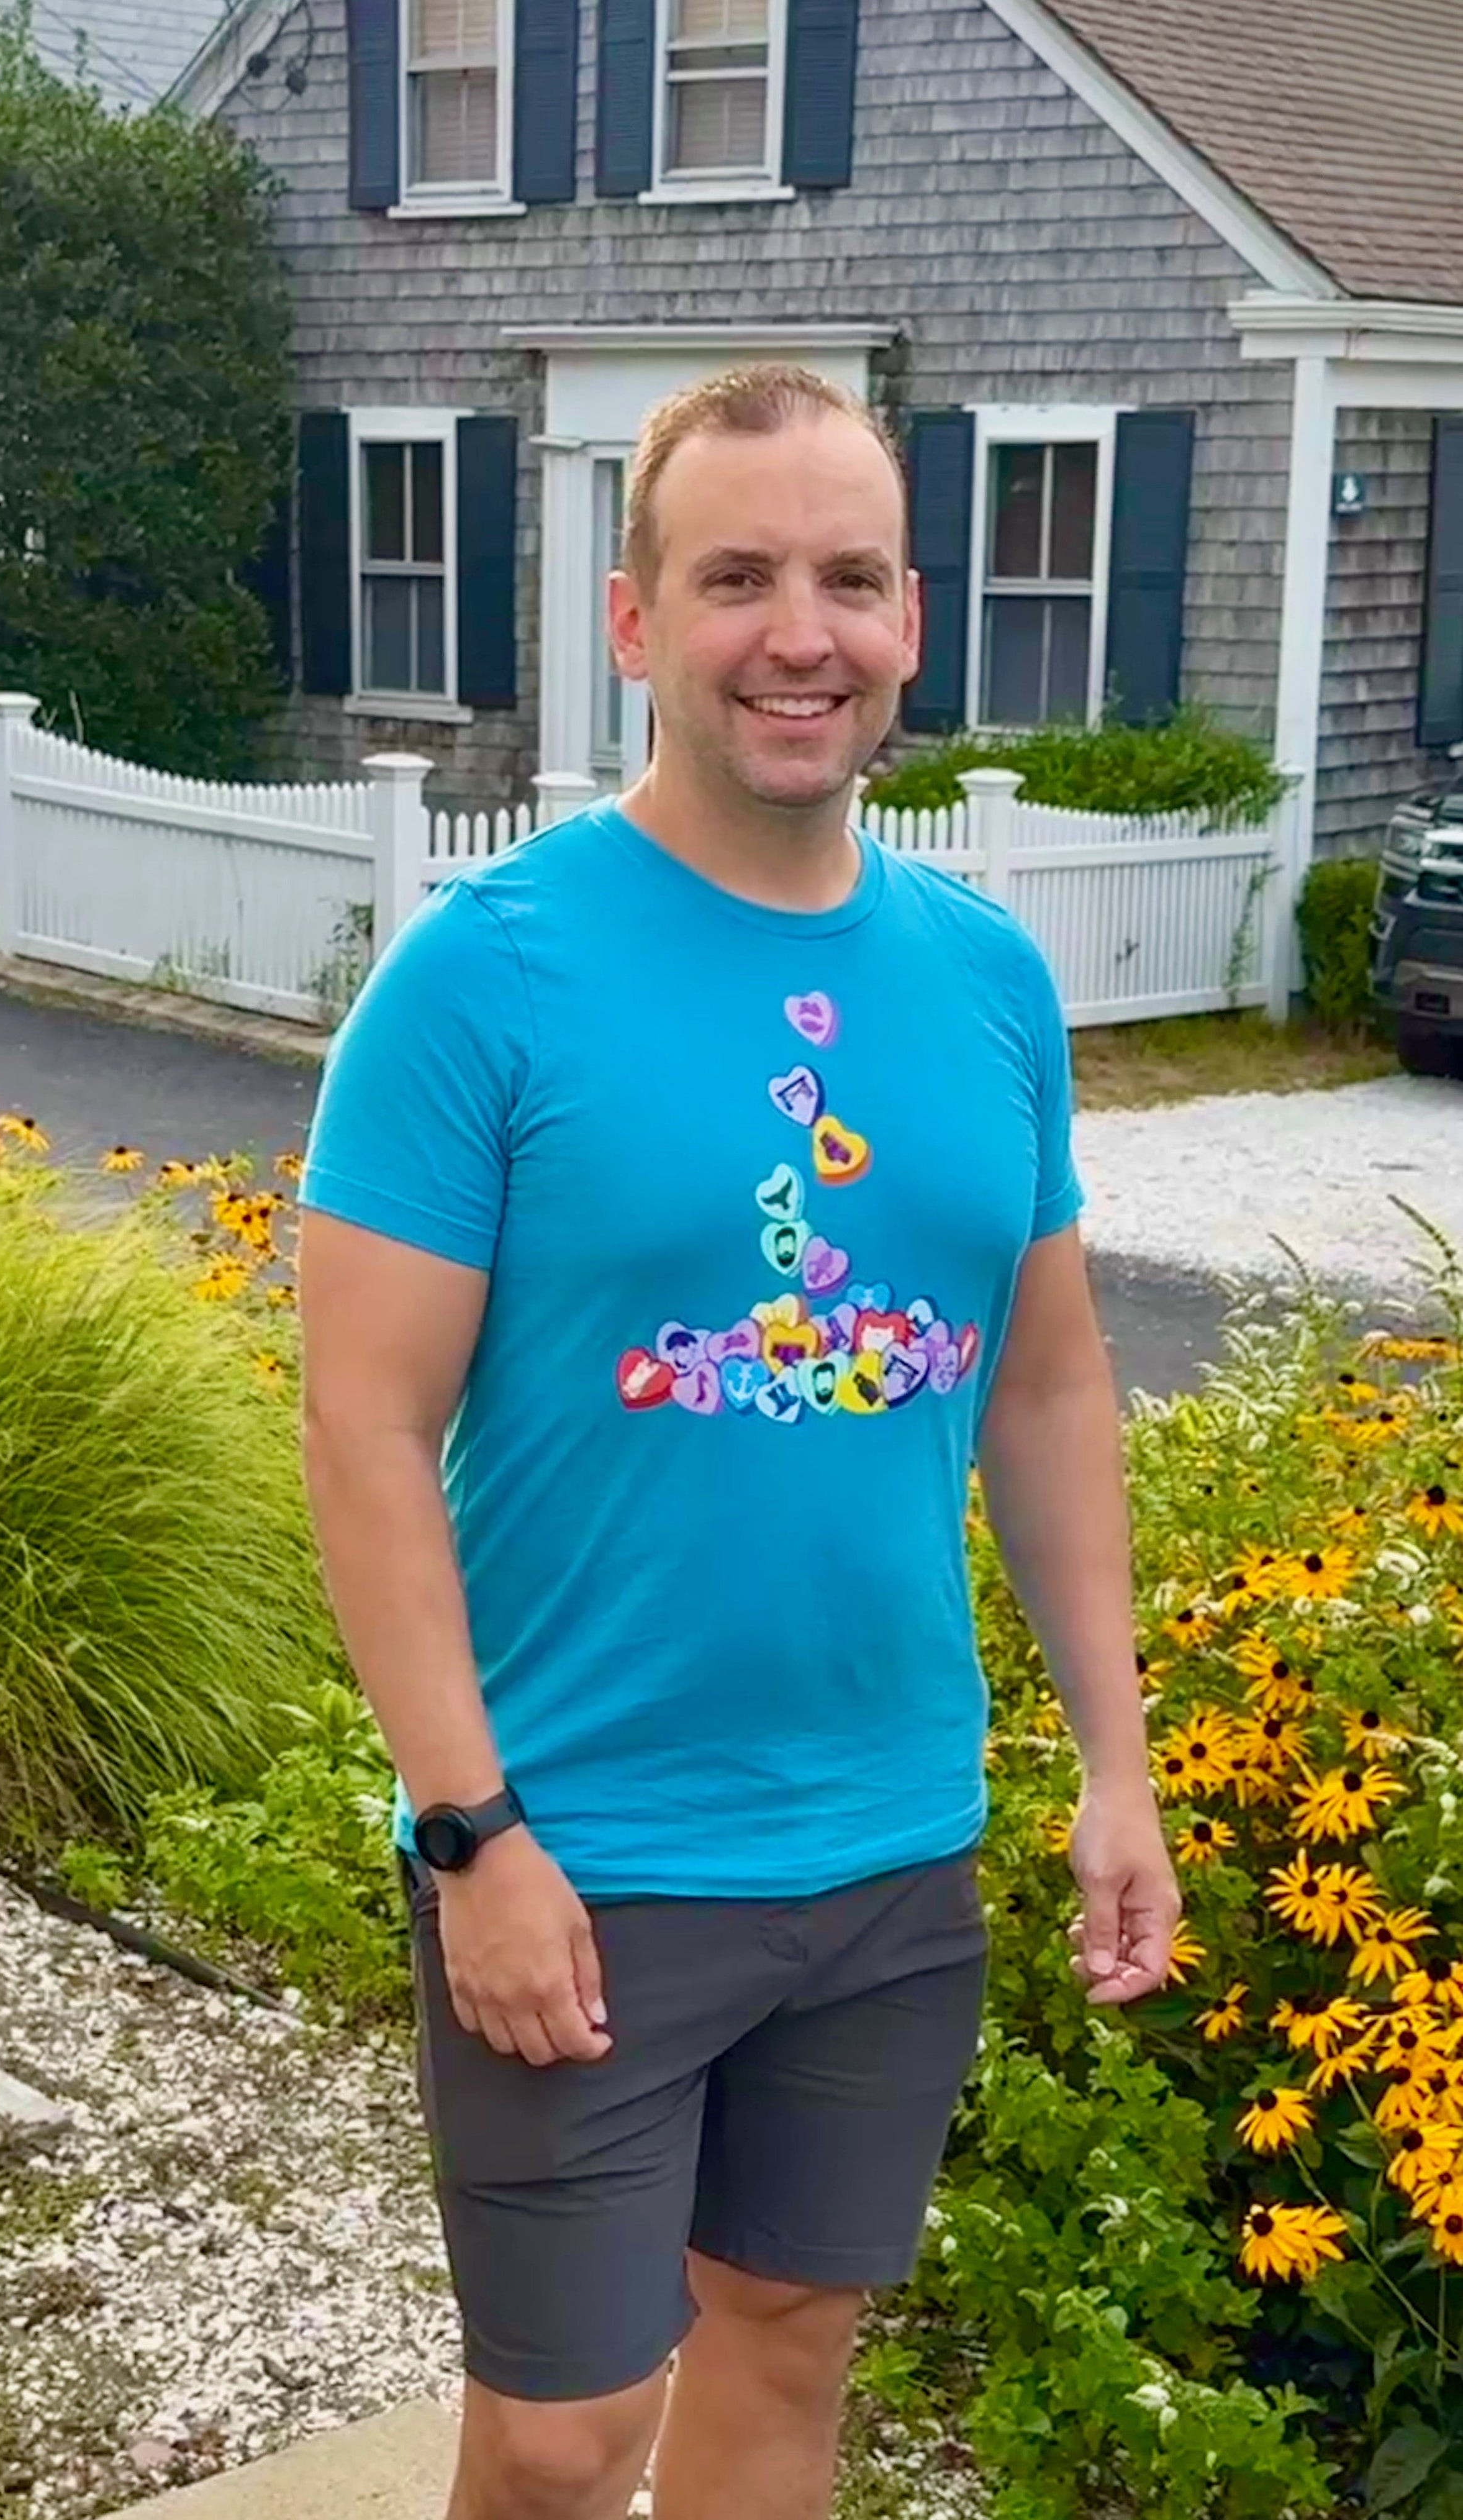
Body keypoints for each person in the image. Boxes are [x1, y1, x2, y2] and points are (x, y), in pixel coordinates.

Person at [296, 363, 1179, 2520]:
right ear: (634, 621)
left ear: (913, 619)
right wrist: (470, 1833)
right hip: (587, 1849)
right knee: (563, 2436)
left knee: (786, 2347)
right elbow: (364, 1421)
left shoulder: (987, 980)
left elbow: (1046, 1382)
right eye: (738, 578)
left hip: (889, 1842)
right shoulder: (484, 975)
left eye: (852, 579)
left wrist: (1118, 1761)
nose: (804, 633)